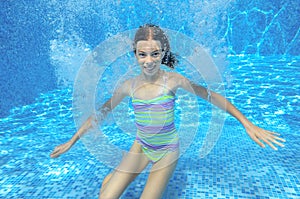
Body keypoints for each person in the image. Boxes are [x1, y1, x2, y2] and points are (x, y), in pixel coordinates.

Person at [50, 24, 285, 199]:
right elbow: (99, 114)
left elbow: (213, 97)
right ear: (135, 55)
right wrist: (72, 141)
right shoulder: (128, 86)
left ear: (163, 53)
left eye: (155, 54)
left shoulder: (174, 81)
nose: (149, 61)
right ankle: (113, 180)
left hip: (166, 150)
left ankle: (118, 178)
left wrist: (247, 124)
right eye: (142, 54)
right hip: (141, 146)